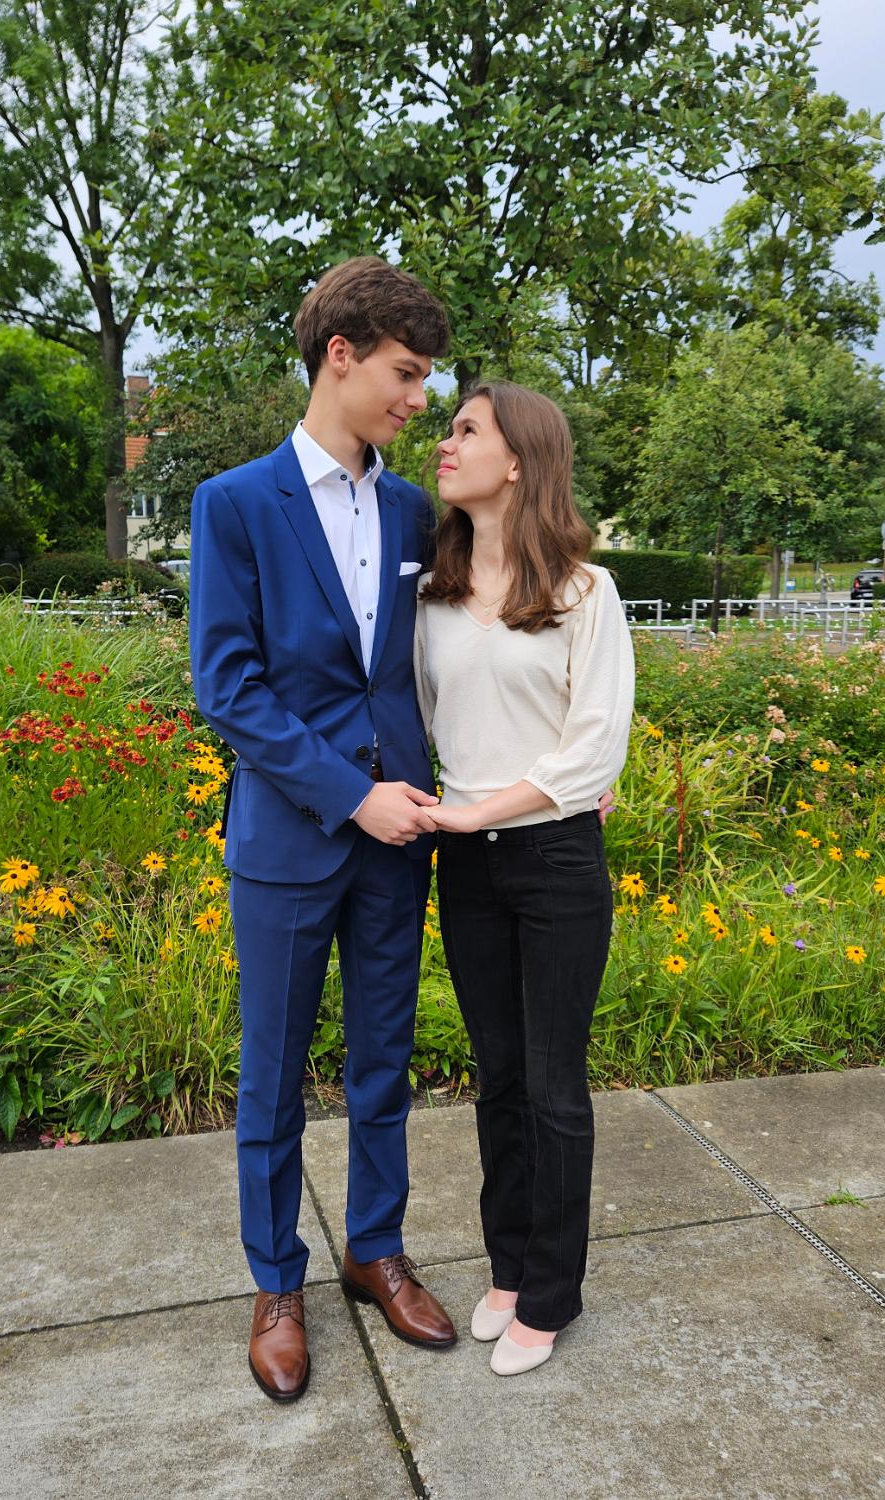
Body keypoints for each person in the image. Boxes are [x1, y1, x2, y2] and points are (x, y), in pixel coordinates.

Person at [189, 256, 459, 1403]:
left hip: (402, 838)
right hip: (293, 837)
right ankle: (276, 1282)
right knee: (271, 1074)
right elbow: (228, 686)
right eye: (405, 373)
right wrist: (351, 794)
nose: (419, 399)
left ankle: (375, 1250)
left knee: (384, 1061)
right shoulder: (236, 503)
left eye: (427, 378)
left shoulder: (414, 511)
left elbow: (443, 662)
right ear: (339, 357)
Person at [414, 381, 634, 1376]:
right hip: (466, 866)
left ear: (516, 462)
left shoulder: (586, 595)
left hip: (553, 862)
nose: (444, 442)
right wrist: (458, 815)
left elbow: (593, 750)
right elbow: (430, 722)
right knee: (496, 1079)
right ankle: (507, 1269)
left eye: (465, 430)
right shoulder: (432, 596)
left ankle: (550, 1295)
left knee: (552, 1085)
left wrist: (480, 808)